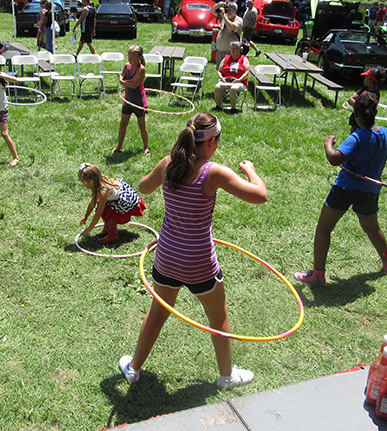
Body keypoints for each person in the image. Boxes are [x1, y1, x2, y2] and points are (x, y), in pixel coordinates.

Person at [118, 112, 268, 389]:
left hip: (167, 258)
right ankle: (227, 376)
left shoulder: (168, 164)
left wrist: (163, 169)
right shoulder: (214, 173)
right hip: (199, 262)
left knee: (158, 313)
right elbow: (260, 195)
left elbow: (142, 187)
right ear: (211, 142)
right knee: (218, 317)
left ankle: (134, 368)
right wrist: (251, 171)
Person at [294, 92, 387, 286]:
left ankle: (318, 274)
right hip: (370, 191)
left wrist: (328, 144)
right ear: (376, 112)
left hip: (345, 188)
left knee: (324, 228)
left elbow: (334, 159)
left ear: (356, 115)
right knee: (372, 228)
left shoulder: (357, 137)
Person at [78, 163, 146, 244]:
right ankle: (108, 228)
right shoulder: (98, 181)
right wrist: (86, 216)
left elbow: (98, 213)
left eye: (84, 184)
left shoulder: (103, 191)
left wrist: (89, 228)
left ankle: (113, 235)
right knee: (104, 207)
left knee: (105, 211)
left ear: (91, 181)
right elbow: (92, 202)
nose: (84, 186)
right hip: (118, 198)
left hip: (126, 202)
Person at [112, 45, 150, 155]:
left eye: (132, 57)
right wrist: (128, 81)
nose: (129, 59)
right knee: (123, 124)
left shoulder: (141, 69)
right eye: (128, 57)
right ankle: (119, 147)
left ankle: (146, 147)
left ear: (139, 58)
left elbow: (134, 85)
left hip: (139, 102)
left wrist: (125, 82)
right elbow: (122, 78)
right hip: (128, 100)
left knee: (141, 126)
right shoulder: (127, 66)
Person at [213, 41, 250, 115]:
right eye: (231, 48)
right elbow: (219, 71)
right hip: (226, 80)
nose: (233, 50)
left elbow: (247, 72)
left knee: (233, 89)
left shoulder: (244, 59)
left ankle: (233, 108)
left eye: (235, 49)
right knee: (217, 87)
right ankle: (218, 106)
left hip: (239, 82)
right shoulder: (226, 58)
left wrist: (239, 79)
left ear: (240, 50)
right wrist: (222, 78)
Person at [347, 66, 385, 134]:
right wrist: (358, 106)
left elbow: (364, 109)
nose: (364, 79)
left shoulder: (374, 95)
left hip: (363, 123)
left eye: (365, 77)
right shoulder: (364, 89)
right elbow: (350, 100)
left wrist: (357, 106)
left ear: (369, 79)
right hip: (356, 121)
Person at [211, 1, 242, 68]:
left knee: (229, 70)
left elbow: (232, 27)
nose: (228, 12)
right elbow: (213, 10)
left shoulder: (238, 20)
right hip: (220, 50)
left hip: (231, 52)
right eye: (227, 10)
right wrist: (219, 4)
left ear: (235, 10)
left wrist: (224, 16)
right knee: (220, 70)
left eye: (230, 10)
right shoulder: (224, 17)